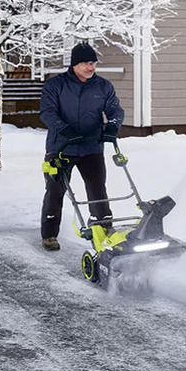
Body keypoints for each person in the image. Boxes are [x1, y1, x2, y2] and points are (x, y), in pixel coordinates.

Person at [39, 42, 125, 251]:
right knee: (55, 191)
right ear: (74, 64)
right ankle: (49, 235)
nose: (90, 68)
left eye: (93, 63)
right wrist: (65, 130)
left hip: (91, 147)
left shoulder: (103, 86)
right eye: (86, 63)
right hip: (61, 149)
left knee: (98, 190)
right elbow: (47, 113)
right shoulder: (55, 85)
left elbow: (115, 110)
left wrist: (112, 127)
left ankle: (104, 228)